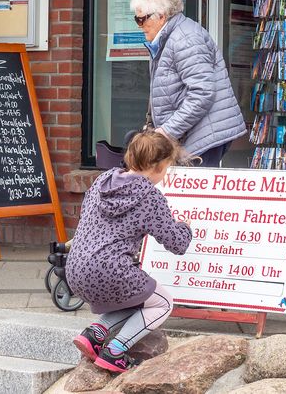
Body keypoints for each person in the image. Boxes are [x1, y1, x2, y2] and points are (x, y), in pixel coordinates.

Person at [66, 130, 192, 373]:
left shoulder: (102, 181)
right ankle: (115, 351)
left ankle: (95, 333)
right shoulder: (149, 196)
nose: (165, 176)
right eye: (166, 169)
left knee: (136, 296)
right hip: (111, 271)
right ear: (157, 167)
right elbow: (177, 243)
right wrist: (185, 227)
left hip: (75, 270)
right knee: (163, 303)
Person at [131, 0, 246, 167]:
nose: (140, 26)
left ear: (161, 16)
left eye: (142, 20)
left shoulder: (185, 39)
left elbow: (202, 94)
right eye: (136, 19)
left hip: (204, 135)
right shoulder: (166, 39)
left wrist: (167, 131)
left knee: (197, 194)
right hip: (191, 133)